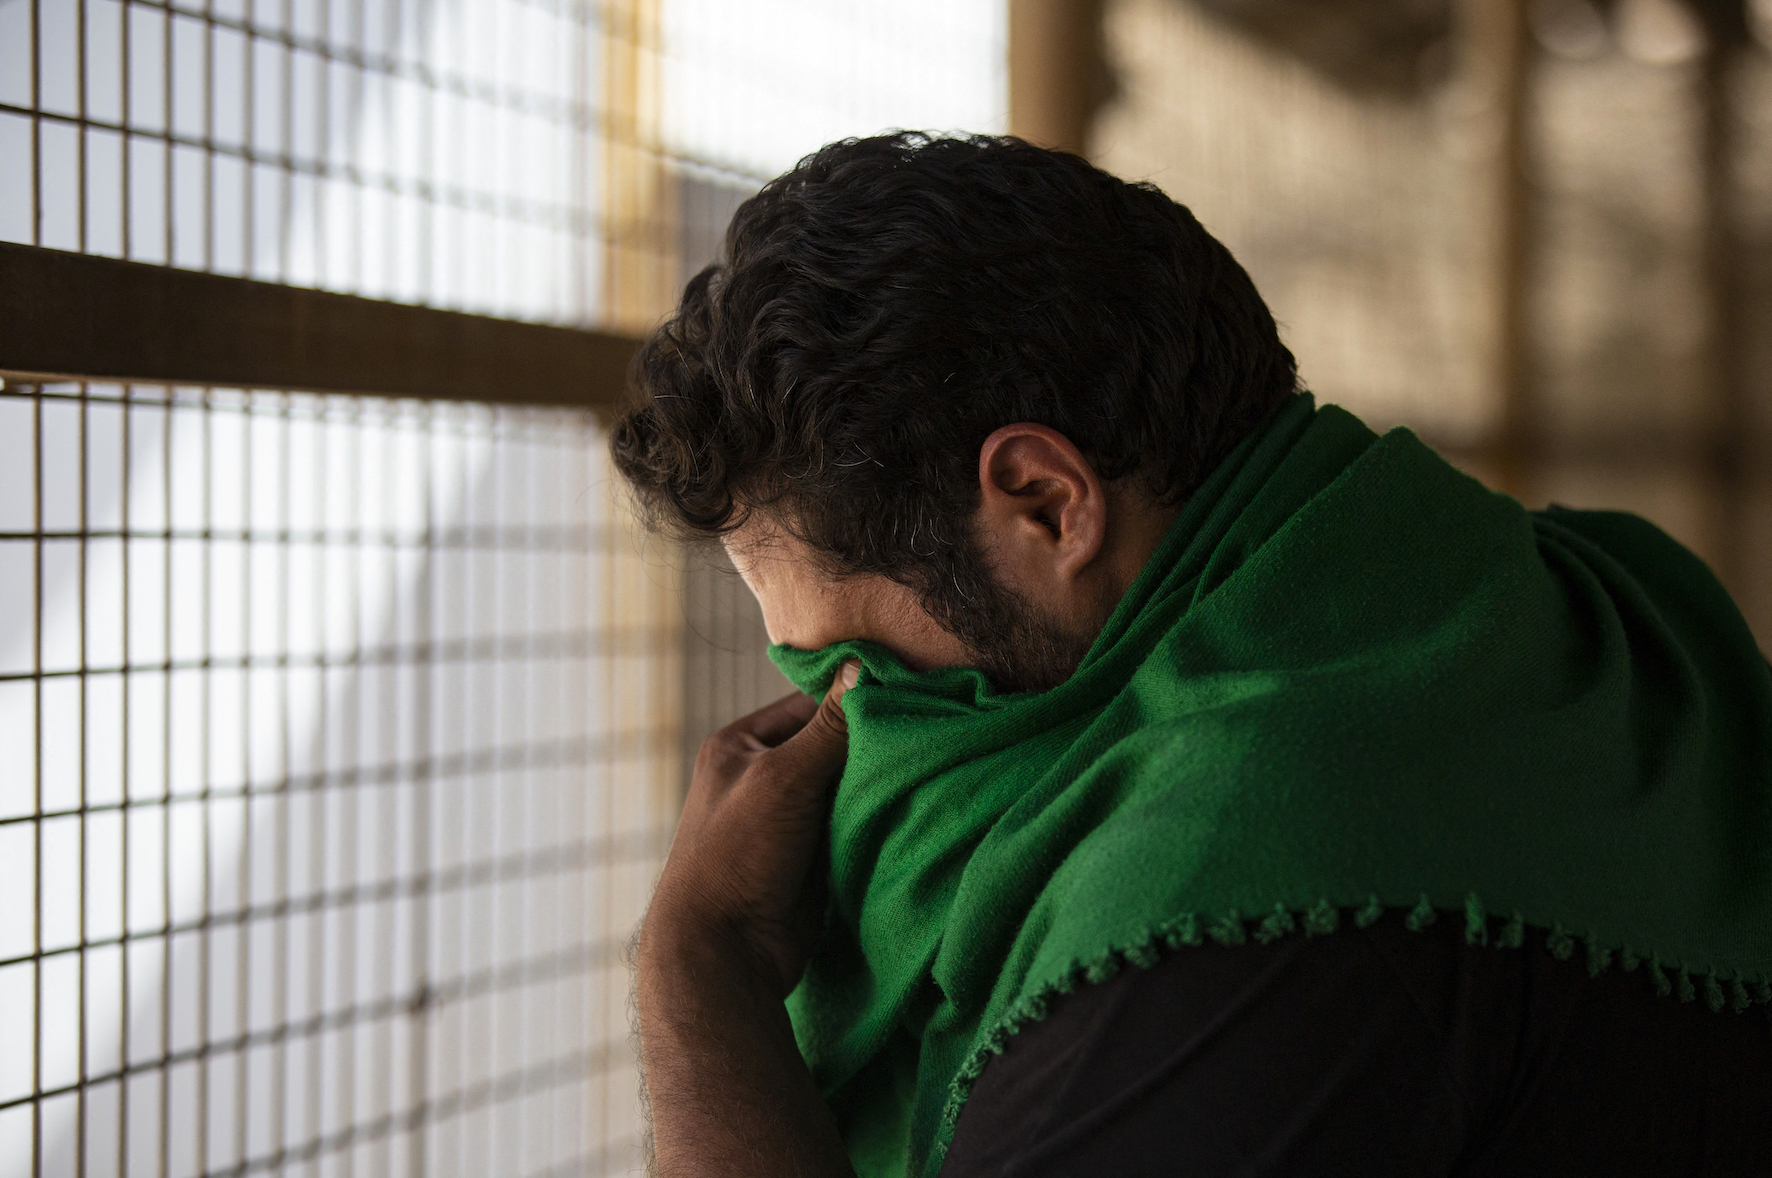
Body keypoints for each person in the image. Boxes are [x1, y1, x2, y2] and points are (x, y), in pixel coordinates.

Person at [611, 132, 1772, 1177]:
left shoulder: (1227, 898)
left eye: (857, 666)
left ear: (1043, 503)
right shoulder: (1562, 591)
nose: (848, 718)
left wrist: (698, 966)